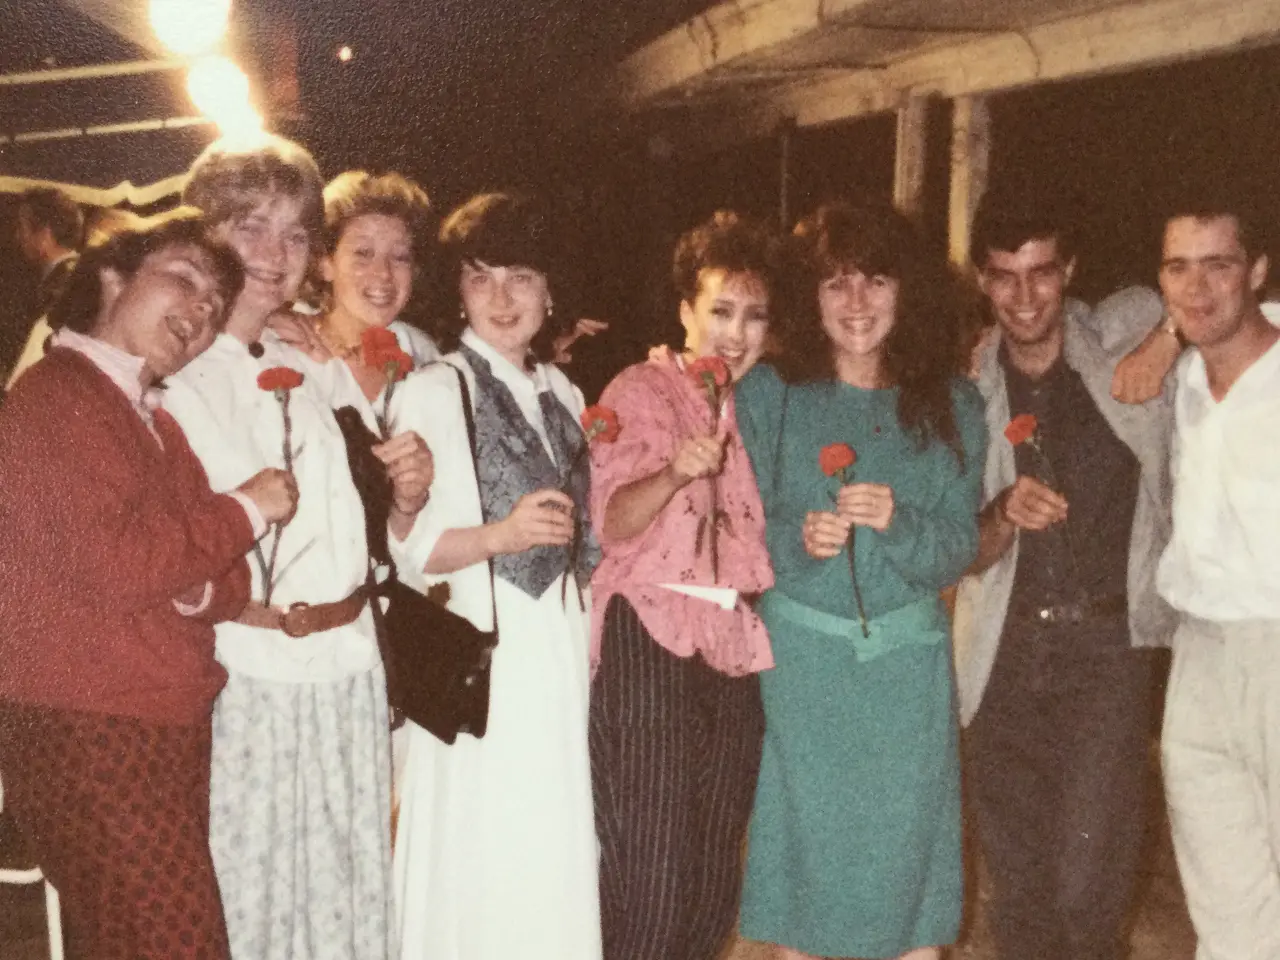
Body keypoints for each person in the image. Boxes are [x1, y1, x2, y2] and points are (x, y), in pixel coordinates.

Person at [0, 214, 298, 958]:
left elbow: (223, 583)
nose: (199, 311)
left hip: (153, 722)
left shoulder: (152, 420)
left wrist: (190, 580)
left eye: (211, 305)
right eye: (184, 280)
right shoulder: (58, 395)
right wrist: (245, 508)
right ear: (112, 277)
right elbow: (121, 563)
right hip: (91, 724)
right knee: (175, 944)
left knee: (135, 943)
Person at [165, 136, 432, 959]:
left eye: (292, 233)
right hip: (250, 671)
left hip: (348, 667)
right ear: (206, 234)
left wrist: (409, 493)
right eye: (251, 228)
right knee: (250, 903)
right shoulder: (174, 373)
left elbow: (368, 526)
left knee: (346, 900)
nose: (275, 256)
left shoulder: (309, 357)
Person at [734, 200, 986, 960]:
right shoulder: (770, 394)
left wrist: (901, 522)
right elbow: (738, 530)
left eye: (876, 281)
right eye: (835, 283)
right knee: (810, 882)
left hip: (908, 680)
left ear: (906, 292)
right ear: (808, 297)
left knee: (908, 882)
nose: (856, 304)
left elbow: (957, 547)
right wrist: (800, 540)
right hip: (803, 672)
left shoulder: (953, 402)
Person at [951, 193, 1176, 960]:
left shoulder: (1120, 341)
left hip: (1106, 653)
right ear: (983, 281)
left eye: (1042, 273)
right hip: (1004, 657)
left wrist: (1170, 338)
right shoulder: (968, 391)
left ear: (1070, 271)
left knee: (1090, 888)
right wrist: (1004, 511)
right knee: (1019, 890)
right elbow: (964, 554)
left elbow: (1201, 296)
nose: (1023, 297)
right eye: (1005, 277)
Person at [390, 191, 602, 960]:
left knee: (547, 842)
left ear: (550, 291)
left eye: (520, 275)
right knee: (483, 853)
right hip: (483, 659)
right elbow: (411, 551)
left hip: (556, 650)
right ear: (459, 291)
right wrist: (502, 535)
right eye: (481, 277)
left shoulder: (564, 393)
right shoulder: (435, 389)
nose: (502, 297)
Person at [587, 211, 777, 960]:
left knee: (710, 875)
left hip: (731, 645)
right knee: (652, 876)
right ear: (685, 314)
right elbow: (612, 521)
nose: (735, 333)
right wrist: (674, 472)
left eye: (754, 315)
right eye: (720, 311)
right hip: (651, 636)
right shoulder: (638, 387)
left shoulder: (756, 406)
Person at [1151, 193, 1280, 960]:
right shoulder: (1186, 379)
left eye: (1219, 266)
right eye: (1178, 268)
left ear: (1258, 272)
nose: (1197, 289)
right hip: (1198, 652)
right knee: (1225, 902)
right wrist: (1165, 341)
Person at [4, 187, 84, 388]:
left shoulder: (60, 287)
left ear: (44, 236)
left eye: (22, 228)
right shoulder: (77, 276)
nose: (18, 237)